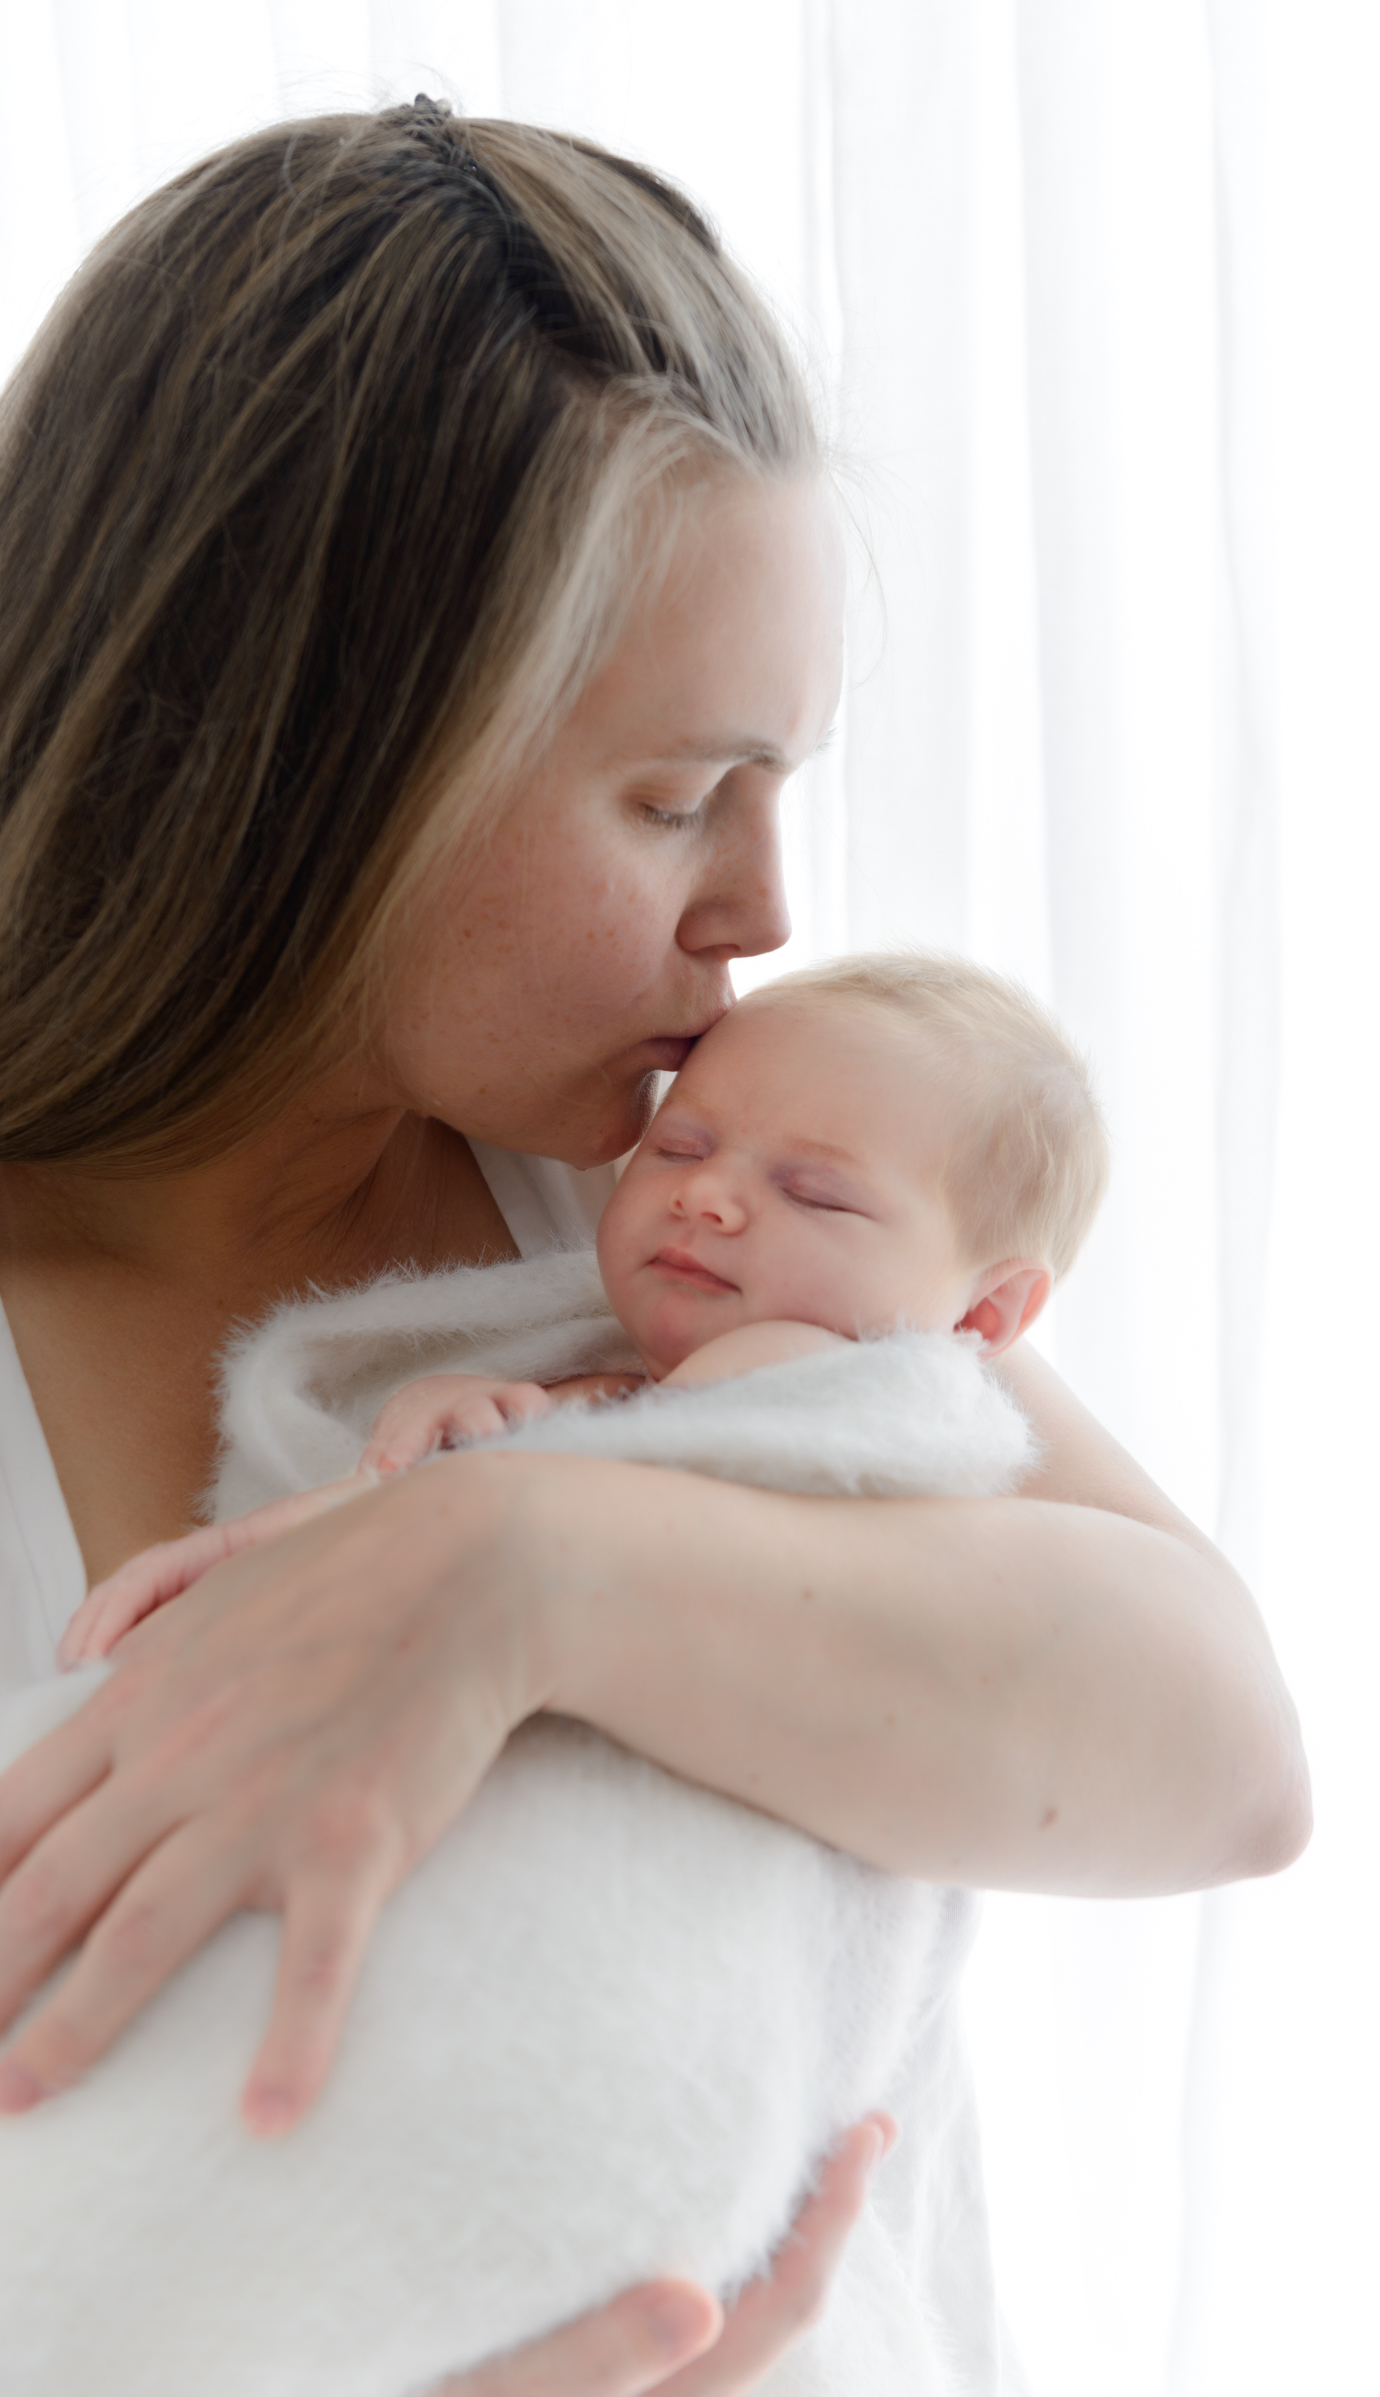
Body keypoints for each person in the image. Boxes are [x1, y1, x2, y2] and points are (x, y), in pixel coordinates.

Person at [0, 100, 1310, 2397]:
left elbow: (1216, 1743)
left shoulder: (675, 1212)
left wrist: (516, 1571)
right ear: (333, 761)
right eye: (678, 798)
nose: (766, 914)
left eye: (782, 784)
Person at [66, 950, 1108, 1661]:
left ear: (984, 1318)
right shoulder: (610, 1354)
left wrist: (231, 1563)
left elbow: (502, 1525)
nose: (704, 1193)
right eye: (679, 1147)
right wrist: (530, 1403)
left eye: (813, 1192)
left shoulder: (869, 1386)